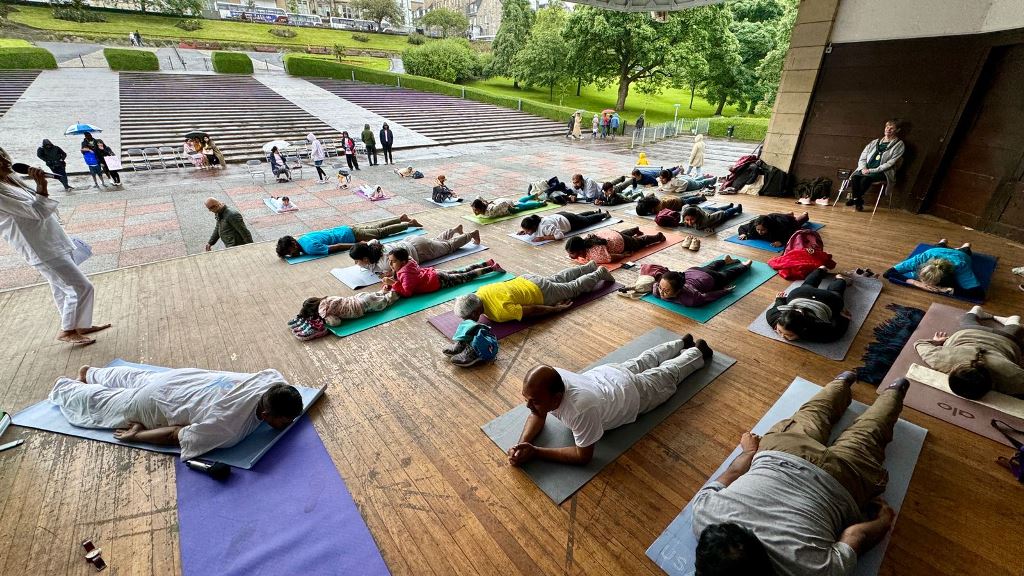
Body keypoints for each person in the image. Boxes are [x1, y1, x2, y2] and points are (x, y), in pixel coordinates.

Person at [692, 372, 910, 576]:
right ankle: (842, 382)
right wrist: (750, 452)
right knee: (813, 413)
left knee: (868, 434)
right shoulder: (702, 514)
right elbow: (734, 471)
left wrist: (884, 521)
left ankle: (895, 390)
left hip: (842, 478)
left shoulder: (815, 571)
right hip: (782, 452)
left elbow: (855, 535)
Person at [508, 336, 713, 466]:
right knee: (645, 359)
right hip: (609, 374)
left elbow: (583, 456)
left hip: (631, 394)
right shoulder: (551, 379)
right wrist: (522, 444)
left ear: (557, 397)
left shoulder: (579, 409)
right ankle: (679, 342)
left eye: (534, 401)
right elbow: (537, 413)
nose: (529, 406)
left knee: (666, 375)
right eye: (527, 399)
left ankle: (697, 351)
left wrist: (536, 452)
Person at [49, 363, 304, 461]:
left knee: (138, 377)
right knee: (105, 405)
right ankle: (66, 387)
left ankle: (91, 372)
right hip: (156, 403)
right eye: (285, 420)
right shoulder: (229, 429)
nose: (290, 423)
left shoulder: (273, 379)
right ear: (266, 415)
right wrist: (136, 436)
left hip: (182, 380)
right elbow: (175, 435)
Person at [0, 148, 111, 345]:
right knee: (80, 287)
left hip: (50, 240)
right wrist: (42, 185)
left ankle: (80, 324)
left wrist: (39, 186)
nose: (4, 161)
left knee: (60, 288)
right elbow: (37, 212)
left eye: (2, 155)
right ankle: (67, 331)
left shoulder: (11, 181)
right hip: (39, 248)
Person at [915, 306, 1023, 399]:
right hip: (971, 332)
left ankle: (1012, 321)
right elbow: (920, 344)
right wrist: (937, 342)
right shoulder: (942, 360)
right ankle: (978, 311)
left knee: (1014, 329)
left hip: (1003, 339)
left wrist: (936, 342)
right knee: (967, 320)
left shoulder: (1012, 376)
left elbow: (918, 343)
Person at [453, 261, 615, 324]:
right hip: (527, 279)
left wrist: (556, 309)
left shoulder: (499, 313)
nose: (467, 320)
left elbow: (533, 310)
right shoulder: (481, 291)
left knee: (572, 288)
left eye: (467, 317)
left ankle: (599, 273)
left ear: (475, 312)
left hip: (540, 292)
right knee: (559, 278)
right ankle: (588, 267)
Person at [349, 225, 481, 277]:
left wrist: (388, 274)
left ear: (365, 259)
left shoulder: (384, 262)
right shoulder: (372, 245)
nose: (356, 264)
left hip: (420, 251)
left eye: (357, 261)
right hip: (412, 241)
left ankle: (471, 234)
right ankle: (453, 230)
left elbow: (399, 270)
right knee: (436, 242)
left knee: (449, 247)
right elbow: (372, 241)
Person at [767, 265, 851, 343]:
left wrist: (844, 319)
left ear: (803, 330)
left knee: (836, 293)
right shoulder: (773, 317)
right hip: (800, 294)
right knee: (807, 285)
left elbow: (836, 333)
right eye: (779, 331)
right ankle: (822, 270)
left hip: (826, 299)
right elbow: (776, 308)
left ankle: (839, 279)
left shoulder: (813, 331)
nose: (782, 336)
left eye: (789, 335)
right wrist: (779, 299)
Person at [276, 215, 420, 258]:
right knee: (376, 227)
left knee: (380, 233)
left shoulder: (310, 248)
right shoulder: (303, 238)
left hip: (349, 236)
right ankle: (400, 218)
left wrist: (359, 245)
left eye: (289, 252)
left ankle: (409, 224)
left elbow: (337, 247)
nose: (291, 255)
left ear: (293, 245)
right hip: (344, 229)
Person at [883, 238, 982, 299]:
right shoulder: (922, 258)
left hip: (960, 255)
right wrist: (916, 283)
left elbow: (977, 294)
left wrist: (943, 289)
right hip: (936, 251)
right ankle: (943, 241)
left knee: (966, 248)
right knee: (940, 245)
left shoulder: (960, 266)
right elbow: (888, 273)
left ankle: (965, 246)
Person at [383, 247, 502, 297]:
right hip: (435, 274)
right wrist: (391, 283)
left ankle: (492, 268)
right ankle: (487, 263)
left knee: (466, 276)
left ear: (403, 262)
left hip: (438, 280)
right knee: (461, 271)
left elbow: (407, 291)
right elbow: (400, 281)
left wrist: (393, 284)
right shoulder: (409, 264)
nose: (390, 264)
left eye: (393, 262)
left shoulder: (406, 273)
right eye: (390, 261)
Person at [644, 256, 753, 307]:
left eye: (666, 291)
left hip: (708, 278)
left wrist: (725, 291)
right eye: (661, 288)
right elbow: (656, 284)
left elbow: (707, 296)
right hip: (693, 270)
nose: (661, 292)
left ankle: (744, 265)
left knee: (726, 275)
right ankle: (724, 260)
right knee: (709, 266)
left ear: (678, 291)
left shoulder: (690, 299)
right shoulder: (657, 290)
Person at [846, 119, 905, 211]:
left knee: (866, 179)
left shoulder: (899, 145)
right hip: (866, 169)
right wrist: (863, 168)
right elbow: (863, 157)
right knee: (855, 177)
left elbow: (890, 163)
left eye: (892, 128)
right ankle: (857, 200)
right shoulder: (874, 142)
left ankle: (855, 199)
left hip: (883, 172)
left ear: (897, 130)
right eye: (887, 127)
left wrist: (871, 170)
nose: (888, 130)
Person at [291, 291, 399, 339]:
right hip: (358, 297)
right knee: (374, 296)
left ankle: (395, 293)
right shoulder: (327, 299)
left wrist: (325, 321)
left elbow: (336, 322)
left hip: (362, 306)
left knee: (385, 302)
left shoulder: (323, 311)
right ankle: (383, 291)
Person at [565, 227, 665, 264]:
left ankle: (658, 237)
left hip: (620, 241)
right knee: (622, 235)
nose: (570, 256)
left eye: (572, 253)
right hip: (610, 235)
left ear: (580, 250)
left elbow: (611, 258)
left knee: (638, 243)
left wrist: (624, 255)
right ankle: (634, 230)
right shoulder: (586, 240)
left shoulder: (596, 255)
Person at [518, 209, 610, 242]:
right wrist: (525, 232)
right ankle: (594, 212)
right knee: (579, 216)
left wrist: (542, 238)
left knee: (586, 220)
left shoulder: (545, 227)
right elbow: (531, 230)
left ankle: (604, 215)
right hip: (560, 216)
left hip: (569, 221)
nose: (526, 233)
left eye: (527, 230)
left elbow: (560, 235)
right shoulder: (536, 221)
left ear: (534, 227)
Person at [738, 212, 810, 247]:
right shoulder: (753, 225)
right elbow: (742, 227)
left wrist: (782, 242)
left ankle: (804, 215)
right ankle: (789, 214)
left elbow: (792, 234)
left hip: (786, 222)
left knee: (797, 221)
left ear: (768, 228)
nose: (760, 232)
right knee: (785, 216)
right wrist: (743, 233)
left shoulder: (780, 227)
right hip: (772, 217)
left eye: (763, 230)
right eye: (758, 230)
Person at [470, 196, 546, 219]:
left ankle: (540, 203)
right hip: (499, 201)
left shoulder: (490, 212)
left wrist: (511, 208)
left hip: (508, 208)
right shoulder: (484, 207)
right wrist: (486, 202)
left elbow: (504, 204)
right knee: (519, 201)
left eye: (475, 210)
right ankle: (533, 196)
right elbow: (478, 197)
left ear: (480, 208)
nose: (474, 212)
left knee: (524, 206)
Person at [635, 192, 708, 216]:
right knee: (684, 198)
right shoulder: (653, 200)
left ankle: (701, 198)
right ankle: (695, 195)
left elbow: (660, 212)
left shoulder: (659, 209)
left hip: (678, 203)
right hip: (673, 198)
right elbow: (651, 194)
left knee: (689, 201)